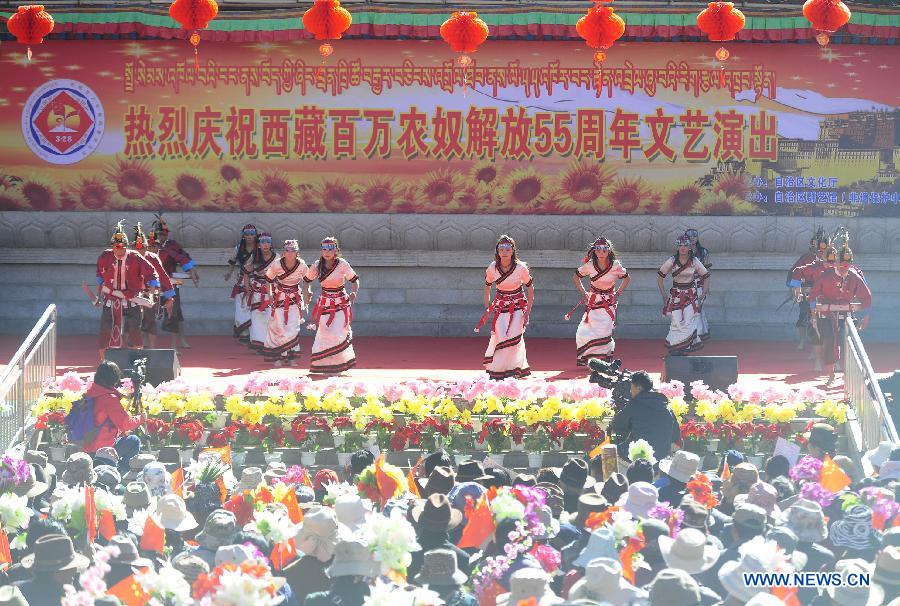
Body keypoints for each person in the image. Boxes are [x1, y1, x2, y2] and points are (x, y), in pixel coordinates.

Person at [91, 221, 159, 361]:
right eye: (116, 247)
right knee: (105, 330)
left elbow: (152, 274)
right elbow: (100, 277)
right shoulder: (105, 256)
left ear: (127, 247)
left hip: (132, 298)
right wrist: (98, 296)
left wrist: (151, 295)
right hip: (111, 299)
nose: (119, 250)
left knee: (135, 330)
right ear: (112, 247)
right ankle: (104, 363)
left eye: (122, 247)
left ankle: (137, 363)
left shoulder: (135, 257)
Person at [807, 243, 872, 384]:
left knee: (849, 344)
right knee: (829, 342)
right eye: (841, 265)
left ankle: (849, 375)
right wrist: (813, 312)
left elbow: (866, 298)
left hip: (846, 316)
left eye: (847, 265)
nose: (844, 268)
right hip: (827, 316)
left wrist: (866, 316)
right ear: (835, 263)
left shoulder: (855, 276)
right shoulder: (825, 275)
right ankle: (831, 375)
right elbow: (812, 296)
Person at [481, 235, 534, 380]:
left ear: (512, 251)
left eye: (507, 249)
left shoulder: (520, 268)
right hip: (501, 307)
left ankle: (514, 369)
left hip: (517, 307)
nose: (504, 252)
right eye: (501, 249)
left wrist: (527, 311)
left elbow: (530, 289)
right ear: (497, 251)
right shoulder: (492, 268)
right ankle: (499, 369)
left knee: (514, 336)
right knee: (500, 335)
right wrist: (487, 308)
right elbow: (487, 288)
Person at [304, 237, 359, 375]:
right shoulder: (317, 265)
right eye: (324, 249)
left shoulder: (342, 264)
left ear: (336, 250)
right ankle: (327, 365)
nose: (327, 252)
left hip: (340, 303)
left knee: (338, 333)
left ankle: (339, 366)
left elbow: (354, 280)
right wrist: (307, 292)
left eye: (330, 249)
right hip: (325, 303)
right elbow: (306, 280)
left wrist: (353, 292)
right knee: (325, 333)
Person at [571, 237, 629, 366]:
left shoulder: (615, 265)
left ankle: (603, 359)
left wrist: (618, 293)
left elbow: (626, 278)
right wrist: (584, 293)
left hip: (608, 301)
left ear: (608, 251)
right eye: (598, 250)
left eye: (604, 250)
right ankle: (590, 358)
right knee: (584, 331)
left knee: (604, 330)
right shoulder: (590, 265)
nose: (601, 253)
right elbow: (576, 277)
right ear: (595, 251)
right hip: (594, 301)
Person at [80, 360, 145, 467]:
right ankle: (120, 470)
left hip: (88, 447)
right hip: (102, 450)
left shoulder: (90, 394)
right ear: (114, 378)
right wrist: (141, 417)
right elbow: (125, 424)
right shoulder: (109, 398)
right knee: (134, 440)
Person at [609, 371, 680, 461]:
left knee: (612, 448)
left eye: (631, 387)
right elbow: (675, 435)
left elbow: (617, 425)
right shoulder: (666, 407)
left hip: (639, 456)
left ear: (638, 388)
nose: (630, 391)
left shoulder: (634, 405)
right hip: (662, 457)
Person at [657, 234, 710, 356]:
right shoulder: (671, 261)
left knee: (688, 322)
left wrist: (704, 292)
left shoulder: (695, 261)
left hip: (690, 296)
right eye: (680, 245)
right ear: (677, 247)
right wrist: (664, 295)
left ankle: (685, 347)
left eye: (685, 245)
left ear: (690, 247)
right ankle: (676, 346)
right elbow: (660, 277)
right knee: (676, 322)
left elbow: (706, 276)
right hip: (676, 295)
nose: (683, 248)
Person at [152, 214, 199, 350]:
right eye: (159, 234)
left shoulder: (172, 245)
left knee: (175, 313)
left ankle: (176, 344)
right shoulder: (149, 246)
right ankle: (144, 343)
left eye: (163, 234)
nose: (161, 236)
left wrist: (192, 271)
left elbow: (183, 257)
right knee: (147, 313)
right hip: (152, 284)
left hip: (170, 284)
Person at [261, 239, 311, 367]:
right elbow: (268, 279)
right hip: (280, 297)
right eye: (287, 250)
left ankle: (291, 357)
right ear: (284, 252)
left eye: (293, 250)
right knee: (278, 326)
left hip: (294, 298)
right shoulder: (277, 264)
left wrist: (307, 297)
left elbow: (307, 281)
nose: (290, 253)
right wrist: (271, 294)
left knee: (293, 328)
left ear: (297, 252)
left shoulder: (302, 265)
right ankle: (278, 356)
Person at [134, 223, 175, 349]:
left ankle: (151, 349)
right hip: (132, 293)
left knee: (150, 320)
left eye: (143, 247)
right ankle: (135, 348)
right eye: (137, 247)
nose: (140, 250)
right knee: (134, 322)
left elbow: (162, 276)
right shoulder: (127, 257)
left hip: (150, 293)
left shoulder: (153, 257)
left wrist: (169, 297)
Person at [787, 228, 829, 351]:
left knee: (821, 321)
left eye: (823, 250)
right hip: (807, 293)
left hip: (824, 295)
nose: (820, 252)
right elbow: (795, 272)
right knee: (804, 316)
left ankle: (817, 346)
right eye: (818, 249)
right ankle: (802, 341)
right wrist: (796, 288)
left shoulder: (830, 260)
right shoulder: (806, 259)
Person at [225, 224, 261, 343]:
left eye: (252, 234)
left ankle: (256, 335)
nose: (250, 237)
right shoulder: (238, 248)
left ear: (255, 235)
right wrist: (229, 273)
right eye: (247, 235)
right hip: (242, 281)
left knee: (256, 308)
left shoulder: (261, 247)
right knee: (242, 307)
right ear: (243, 236)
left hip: (257, 281)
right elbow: (232, 261)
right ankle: (244, 332)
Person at [247, 232, 277, 352]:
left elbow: (281, 274)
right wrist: (247, 287)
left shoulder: (277, 258)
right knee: (256, 316)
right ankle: (258, 342)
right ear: (258, 244)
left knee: (271, 316)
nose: (265, 245)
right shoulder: (254, 257)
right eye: (262, 242)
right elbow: (245, 271)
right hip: (258, 289)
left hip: (273, 289)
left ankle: (270, 342)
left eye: (268, 242)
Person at [686, 228, 712, 343]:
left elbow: (707, 271)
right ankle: (696, 335)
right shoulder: (683, 251)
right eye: (689, 237)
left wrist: (706, 288)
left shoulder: (703, 252)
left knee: (698, 309)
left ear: (697, 238)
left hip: (700, 285)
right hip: (686, 285)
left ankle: (698, 335)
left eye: (694, 236)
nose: (692, 238)